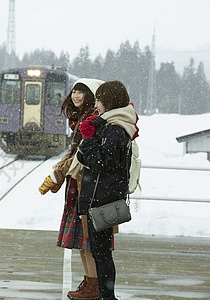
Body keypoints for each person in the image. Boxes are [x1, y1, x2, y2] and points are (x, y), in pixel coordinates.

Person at [38, 78, 104, 300]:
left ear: (91, 97)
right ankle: (89, 282)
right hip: (78, 184)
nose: (76, 96)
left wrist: (58, 172)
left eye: (81, 92)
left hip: (85, 186)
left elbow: (80, 154)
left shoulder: (90, 120)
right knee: (82, 241)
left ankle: (93, 285)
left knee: (87, 239)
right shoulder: (80, 119)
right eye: (74, 91)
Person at [77, 80, 139, 300]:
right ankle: (106, 294)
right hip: (101, 197)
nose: (97, 105)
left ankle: (107, 296)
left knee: (102, 254)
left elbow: (100, 164)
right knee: (100, 252)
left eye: (99, 100)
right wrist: (90, 140)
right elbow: (85, 158)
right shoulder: (110, 126)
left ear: (108, 101)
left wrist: (88, 139)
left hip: (103, 199)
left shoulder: (115, 129)